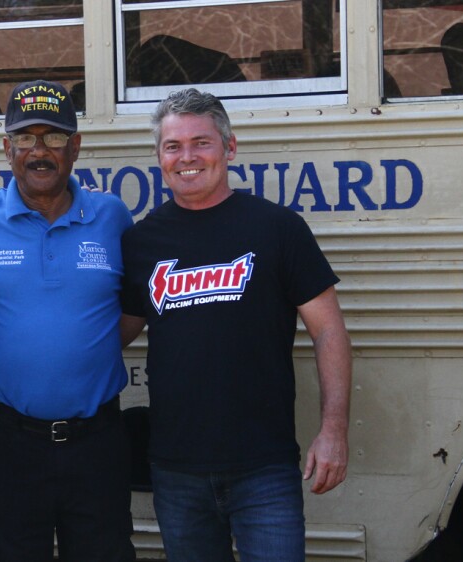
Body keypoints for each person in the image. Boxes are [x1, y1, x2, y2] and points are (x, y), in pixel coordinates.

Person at [120, 88, 351, 562]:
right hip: (176, 468)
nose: (187, 157)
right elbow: (112, 332)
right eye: (172, 146)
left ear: (230, 147)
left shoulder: (277, 228)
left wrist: (333, 431)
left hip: (263, 468)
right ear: (159, 157)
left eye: (201, 142)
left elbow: (329, 331)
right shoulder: (142, 241)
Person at [0, 80, 136, 562]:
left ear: (75, 147)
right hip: (12, 445)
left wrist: (88, 347)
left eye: (52, 137)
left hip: (98, 442)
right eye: (25, 139)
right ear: (7, 149)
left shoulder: (112, 217)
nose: (39, 151)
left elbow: (137, 303)